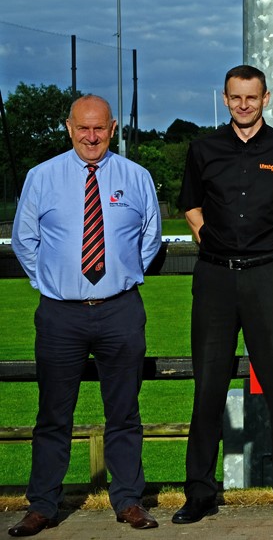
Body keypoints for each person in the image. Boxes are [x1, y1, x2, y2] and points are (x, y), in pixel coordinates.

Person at [172, 65, 273, 524]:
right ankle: (200, 493)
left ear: (266, 98)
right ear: (225, 98)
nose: (243, 105)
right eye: (235, 98)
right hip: (215, 280)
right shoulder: (203, 150)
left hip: (267, 280)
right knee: (208, 390)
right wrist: (210, 242)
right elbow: (191, 207)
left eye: (251, 98)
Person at [9, 95, 162, 536]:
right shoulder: (42, 177)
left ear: (112, 128)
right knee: (53, 415)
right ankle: (42, 506)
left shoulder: (136, 177)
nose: (91, 137)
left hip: (120, 310)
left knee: (124, 413)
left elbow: (149, 239)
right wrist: (55, 285)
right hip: (60, 315)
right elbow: (25, 241)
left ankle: (129, 501)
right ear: (69, 128)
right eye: (82, 129)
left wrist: (120, 275)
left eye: (99, 129)